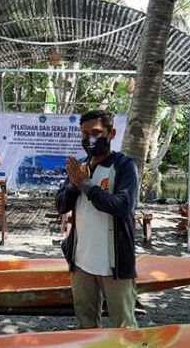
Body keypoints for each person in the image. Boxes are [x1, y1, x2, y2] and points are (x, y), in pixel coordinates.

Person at [55, 109, 139, 329]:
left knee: (124, 326)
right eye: (84, 134)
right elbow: (61, 205)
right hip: (81, 261)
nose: (89, 138)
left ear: (111, 133)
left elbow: (122, 206)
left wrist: (86, 186)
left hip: (114, 264)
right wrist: (74, 186)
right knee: (86, 325)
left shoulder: (124, 165)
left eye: (96, 132)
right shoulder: (80, 167)